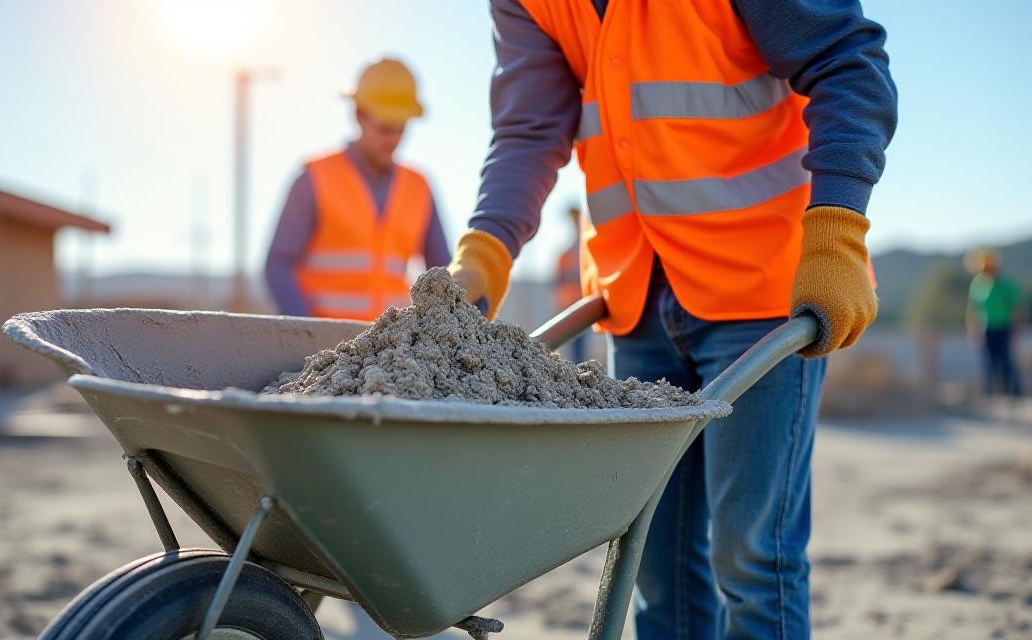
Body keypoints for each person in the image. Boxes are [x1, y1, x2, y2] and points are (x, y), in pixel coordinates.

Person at [446, 1, 897, 637]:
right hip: (635, 296)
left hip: (760, 295)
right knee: (654, 562)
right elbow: (530, 130)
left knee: (753, 557)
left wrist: (837, 227)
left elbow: (848, 62)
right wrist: (488, 248)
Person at [264, 58, 450, 321]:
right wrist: (305, 330)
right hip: (327, 350)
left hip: (393, 351)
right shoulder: (315, 178)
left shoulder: (419, 186)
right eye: (385, 127)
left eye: (401, 128)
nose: (394, 139)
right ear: (358, 115)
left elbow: (442, 274)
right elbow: (278, 265)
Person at [966, 249, 1024, 397]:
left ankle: (1013, 392)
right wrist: (972, 328)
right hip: (987, 328)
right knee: (988, 361)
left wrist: (1016, 328)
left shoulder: (1007, 285)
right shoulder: (978, 284)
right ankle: (990, 392)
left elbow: (1017, 308)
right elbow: (973, 308)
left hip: (1004, 327)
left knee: (1006, 361)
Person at [554, 204, 588, 362]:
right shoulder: (566, 254)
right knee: (571, 345)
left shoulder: (584, 251)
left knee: (580, 346)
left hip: (582, 304)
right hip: (568, 304)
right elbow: (559, 279)